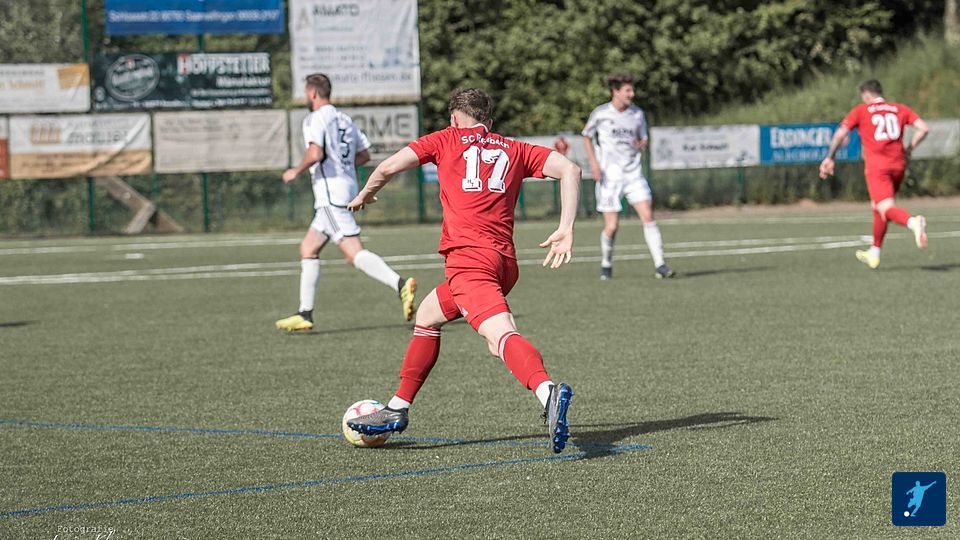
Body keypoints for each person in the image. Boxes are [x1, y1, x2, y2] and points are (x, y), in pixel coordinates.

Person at [344, 88, 581, 453]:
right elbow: (570, 169)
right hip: (503, 263)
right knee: (428, 315)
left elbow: (387, 167)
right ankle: (397, 407)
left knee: (500, 336)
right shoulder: (513, 148)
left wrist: (365, 194)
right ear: (490, 121)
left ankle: (548, 393)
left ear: (454, 119)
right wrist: (566, 227)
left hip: (468, 262)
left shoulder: (445, 139)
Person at [275, 73, 417, 332]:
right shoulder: (344, 119)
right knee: (308, 248)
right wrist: (342, 167)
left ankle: (400, 285)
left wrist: (296, 171)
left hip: (330, 196)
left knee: (353, 253)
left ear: (313, 93)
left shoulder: (315, 118)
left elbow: (315, 152)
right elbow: (364, 154)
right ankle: (304, 313)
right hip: (344, 188)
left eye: (306, 93)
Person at [819, 79, 930, 269]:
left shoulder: (862, 110)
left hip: (878, 167)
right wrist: (910, 148)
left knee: (885, 207)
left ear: (867, 95)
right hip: (898, 166)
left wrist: (830, 158)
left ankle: (913, 222)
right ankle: (874, 252)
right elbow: (924, 128)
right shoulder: (899, 108)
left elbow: (840, 134)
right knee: (878, 207)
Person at [583, 73, 674, 280]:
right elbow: (586, 136)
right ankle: (606, 264)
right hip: (609, 177)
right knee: (612, 227)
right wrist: (594, 164)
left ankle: (660, 264)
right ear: (615, 91)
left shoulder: (637, 114)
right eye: (627, 90)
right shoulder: (601, 113)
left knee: (648, 216)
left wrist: (641, 143)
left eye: (632, 90)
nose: (632, 94)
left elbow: (643, 139)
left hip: (633, 174)